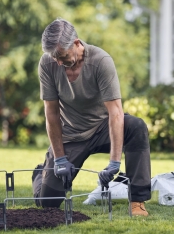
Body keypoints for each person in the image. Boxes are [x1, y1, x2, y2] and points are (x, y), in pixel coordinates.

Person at [35, 18, 152, 216]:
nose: (58, 62)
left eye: (62, 56)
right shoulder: (48, 63)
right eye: (54, 57)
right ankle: (41, 172)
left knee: (136, 127)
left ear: (77, 43)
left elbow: (116, 113)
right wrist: (60, 159)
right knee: (47, 204)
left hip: (102, 128)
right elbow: (52, 113)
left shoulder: (100, 61)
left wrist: (114, 163)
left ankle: (137, 201)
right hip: (71, 134)